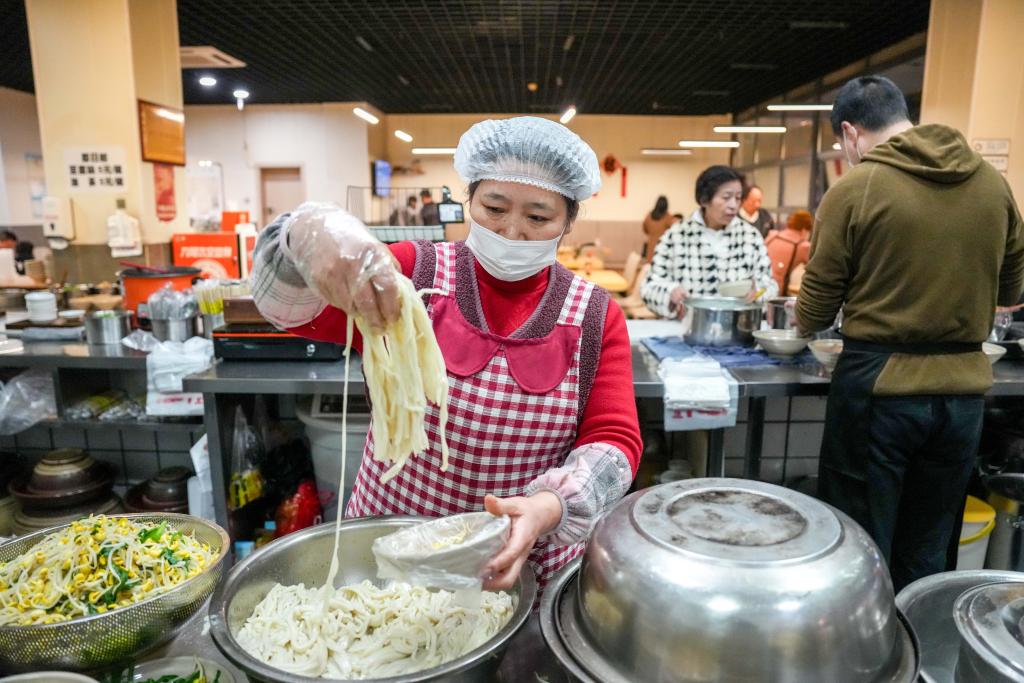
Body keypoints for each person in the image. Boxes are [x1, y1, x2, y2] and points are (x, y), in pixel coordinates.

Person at [251, 116, 642, 591]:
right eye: (494, 207)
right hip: (391, 551)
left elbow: (613, 441)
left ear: (568, 222)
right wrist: (302, 237)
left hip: (516, 563)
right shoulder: (412, 274)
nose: (512, 231)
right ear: (469, 200)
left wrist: (549, 507)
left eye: (538, 218)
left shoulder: (593, 315)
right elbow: (289, 311)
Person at [795, 75, 1024, 591]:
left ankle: (868, 641)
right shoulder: (993, 184)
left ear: (850, 133)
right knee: (930, 543)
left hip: (879, 389)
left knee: (861, 542)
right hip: (962, 396)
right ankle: (919, 635)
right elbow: (1012, 288)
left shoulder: (855, 189)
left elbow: (813, 312)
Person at [641, 165, 777, 319]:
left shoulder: (750, 236)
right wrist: (670, 293)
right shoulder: (676, 236)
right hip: (687, 326)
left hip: (737, 326)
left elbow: (770, 286)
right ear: (704, 200)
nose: (733, 205)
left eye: (738, 198)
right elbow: (649, 287)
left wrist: (757, 293)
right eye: (726, 197)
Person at [765, 210, 813, 295]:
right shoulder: (802, 246)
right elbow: (818, 270)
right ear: (804, 230)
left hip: (756, 288)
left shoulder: (772, 235)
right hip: (776, 294)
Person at [642, 195, 675, 261]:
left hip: (651, 248)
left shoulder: (649, 215)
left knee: (650, 264)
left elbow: (645, 229)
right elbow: (673, 231)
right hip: (663, 248)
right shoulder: (668, 217)